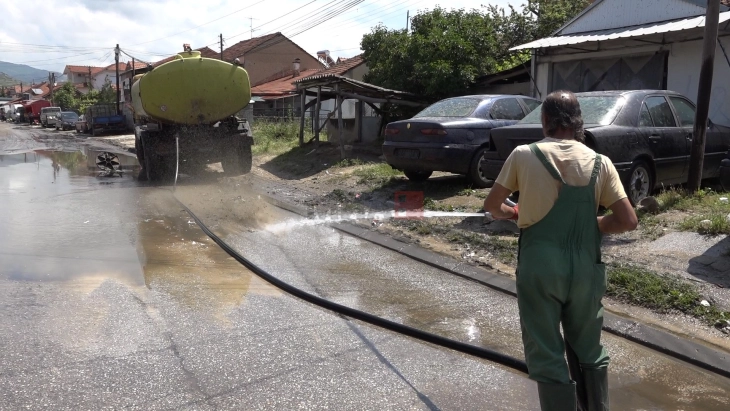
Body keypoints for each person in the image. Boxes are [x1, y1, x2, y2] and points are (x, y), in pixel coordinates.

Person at [483, 90, 638, 411]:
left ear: (545, 121)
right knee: (589, 351)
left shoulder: (523, 154)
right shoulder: (600, 162)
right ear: (579, 123)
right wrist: (594, 225)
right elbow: (627, 220)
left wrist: (514, 213)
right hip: (585, 271)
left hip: (540, 270)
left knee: (547, 354)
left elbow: (492, 205)